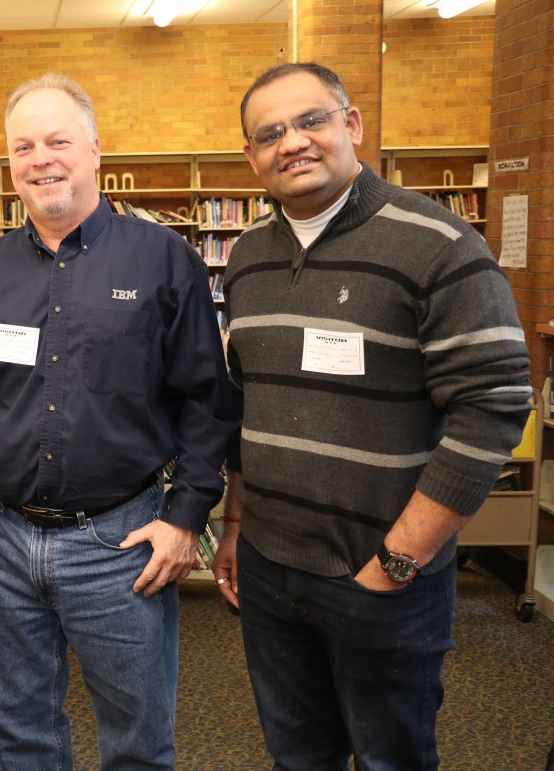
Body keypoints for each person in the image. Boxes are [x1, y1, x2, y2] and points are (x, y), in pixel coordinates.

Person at [213, 62, 532, 771]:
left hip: (382, 575)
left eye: (311, 120)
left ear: (351, 125)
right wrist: (236, 528)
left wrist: (398, 560)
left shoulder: (440, 245)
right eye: (269, 134)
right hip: (269, 569)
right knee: (297, 754)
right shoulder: (247, 259)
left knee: (393, 758)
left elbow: (494, 406)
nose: (291, 142)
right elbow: (248, 404)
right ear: (251, 157)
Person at [0, 73, 238, 770]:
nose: (40, 158)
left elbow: (207, 399)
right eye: (23, 147)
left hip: (118, 542)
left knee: (135, 739)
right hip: (2, 539)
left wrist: (187, 516)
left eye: (58, 140)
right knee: (19, 733)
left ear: (96, 150)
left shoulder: (165, 260)